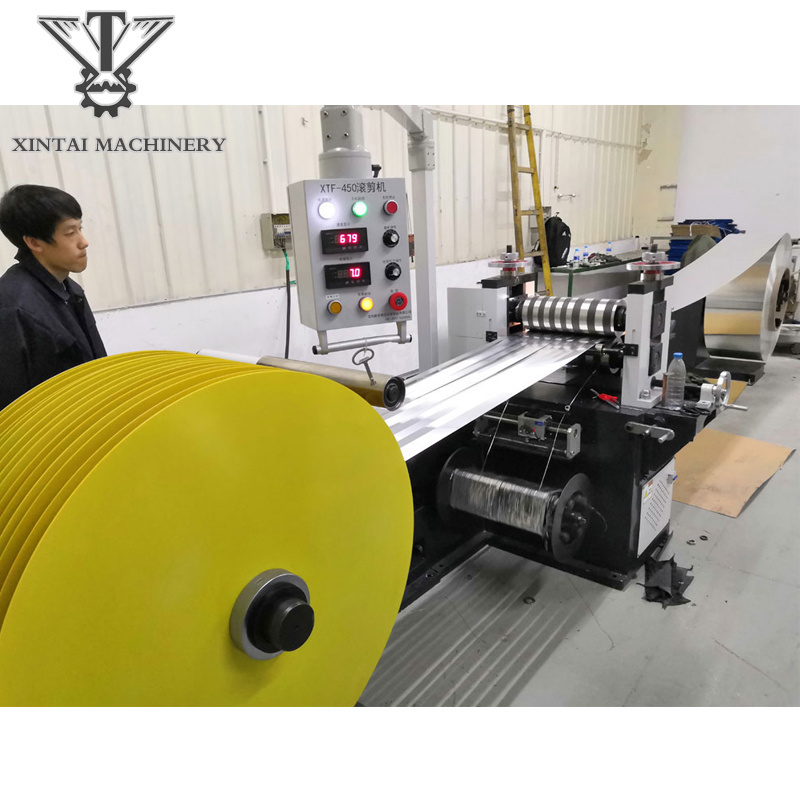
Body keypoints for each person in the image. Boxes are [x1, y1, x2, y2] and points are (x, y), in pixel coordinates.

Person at [0, 184, 106, 409]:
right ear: (34, 242)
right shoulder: (14, 307)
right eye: (70, 233)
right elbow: (12, 405)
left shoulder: (70, 290)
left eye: (80, 228)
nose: (84, 241)